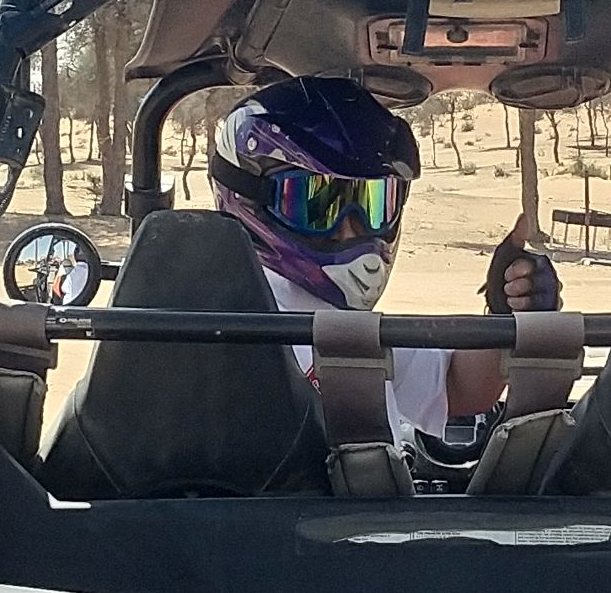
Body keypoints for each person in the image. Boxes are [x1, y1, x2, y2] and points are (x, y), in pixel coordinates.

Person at [210, 77, 561, 444]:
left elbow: (456, 389)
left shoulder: (339, 319)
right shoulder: (227, 328)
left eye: (373, 205)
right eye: (318, 206)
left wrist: (507, 314)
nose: (350, 230)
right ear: (248, 198)